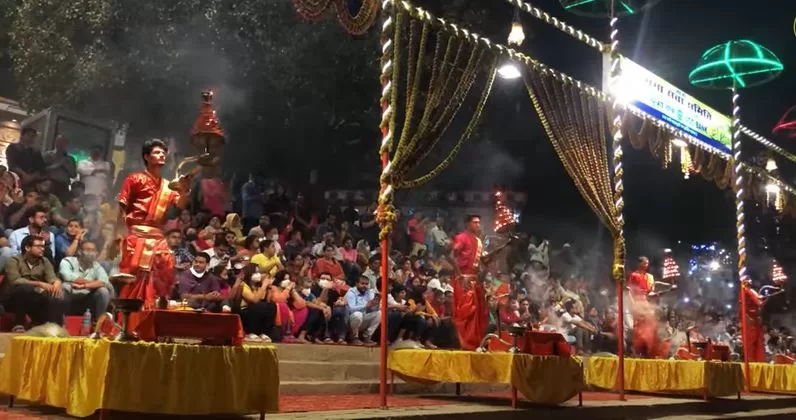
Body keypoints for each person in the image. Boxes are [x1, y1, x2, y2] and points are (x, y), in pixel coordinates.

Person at [113, 139, 191, 325]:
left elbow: (179, 205)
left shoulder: (168, 185)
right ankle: (130, 324)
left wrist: (186, 190)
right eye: (156, 152)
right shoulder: (134, 179)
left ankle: (155, 321)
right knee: (135, 278)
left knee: (165, 272)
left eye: (163, 152)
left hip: (158, 236)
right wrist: (117, 234)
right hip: (137, 235)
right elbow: (122, 207)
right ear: (146, 156)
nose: (162, 155)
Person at [1, 235, 66, 330]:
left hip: (33, 297)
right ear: (27, 248)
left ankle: (54, 327)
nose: (42, 249)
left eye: (43, 246)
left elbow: (52, 277)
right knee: (24, 288)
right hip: (11, 299)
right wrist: (39, 283)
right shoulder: (14, 261)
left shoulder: (44, 261)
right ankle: (19, 324)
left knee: (57, 293)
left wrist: (56, 283)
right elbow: (15, 280)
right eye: (38, 246)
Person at [450, 214, 488, 350]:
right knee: (466, 312)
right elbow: (451, 256)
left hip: (475, 280)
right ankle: (464, 343)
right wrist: (460, 277)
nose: (478, 225)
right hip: (463, 280)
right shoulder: (461, 237)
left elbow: (480, 264)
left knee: (478, 313)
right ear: (468, 224)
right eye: (475, 222)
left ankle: (475, 343)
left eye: (479, 222)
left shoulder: (478, 241)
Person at [59, 240, 113, 323]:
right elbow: (67, 276)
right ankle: (61, 322)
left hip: (88, 298)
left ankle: (99, 324)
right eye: (88, 250)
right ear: (80, 252)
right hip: (70, 295)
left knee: (103, 291)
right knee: (65, 287)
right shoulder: (67, 261)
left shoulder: (96, 266)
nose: (91, 253)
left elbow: (103, 281)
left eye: (93, 250)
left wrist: (84, 286)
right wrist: (94, 282)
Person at [627, 256, 662, 358]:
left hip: (647, 302)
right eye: (644, 263)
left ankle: (649, 350)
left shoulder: (650, 277)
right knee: (638, 326)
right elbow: (630, 291)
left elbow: (652, 291)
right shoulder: (634, 275)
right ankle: (637, 350)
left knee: (650, 325)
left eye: (647, 263)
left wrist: (653, 298)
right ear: (639, 263)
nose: (646, 265)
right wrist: (633, 303)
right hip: (637, 302)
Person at [345, 275, 381, 346]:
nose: (364, 286)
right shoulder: (351, 292)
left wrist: (375, 304)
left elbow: (372, 308)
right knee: (358, 314)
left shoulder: (369, 292)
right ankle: (354, 338)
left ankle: (367, 336)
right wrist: (366, 306)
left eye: (366, 284)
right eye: (362, 284)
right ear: (357, 284)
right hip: (349, 321)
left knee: (379, 313)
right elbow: (351, 309)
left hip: (362, 319)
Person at [741, 278, 766, 362]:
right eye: (748, 280)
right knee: (751, 340)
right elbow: (758, 302)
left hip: (755, 319)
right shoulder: (745, 291)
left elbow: (759, 303)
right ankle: (751, 360)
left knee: (757, 340)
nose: (750, 281)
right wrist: (747, 317)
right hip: (750, 319)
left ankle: (757, 359)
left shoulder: (752, 291)